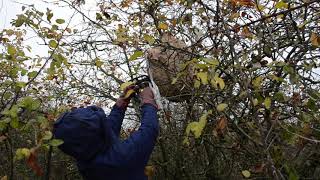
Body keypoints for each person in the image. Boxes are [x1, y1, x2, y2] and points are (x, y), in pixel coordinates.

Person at [53, 87, 159, 180]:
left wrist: (120, 106)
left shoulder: (85, 159)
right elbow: (149, 130)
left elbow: (106, 131)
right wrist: (148, 101)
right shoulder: (123, 157)